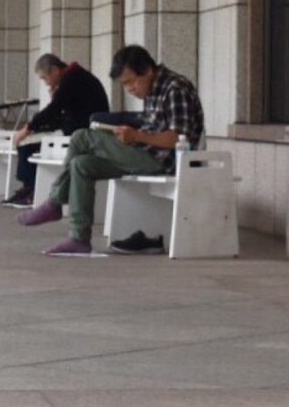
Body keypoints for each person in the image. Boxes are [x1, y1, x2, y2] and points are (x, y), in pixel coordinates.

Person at [18, 45, 205, 257]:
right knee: (81, 164)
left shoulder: (174, 89)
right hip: (144, 152)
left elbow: (178, 138)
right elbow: (150, 129)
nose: (130, 89)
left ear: (147, 70)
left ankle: (54, 202)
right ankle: (79, 238)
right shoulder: (152, 89)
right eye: (124, 85)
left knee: (81, 136)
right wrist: (127, 135)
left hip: (165, 161)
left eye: (131, 82)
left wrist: (137, 136)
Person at [2, 54, 109, 207]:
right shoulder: (74, 77)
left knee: (27, 144)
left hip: (83, 135)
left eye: (44, 78)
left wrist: (28, 128)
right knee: (29, 142)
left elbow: (54, 110)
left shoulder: (73, 79)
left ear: (55, 70)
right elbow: (59, 113)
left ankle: (32, 189)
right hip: (77, 130)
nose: (46, 83)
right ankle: (28, 187)